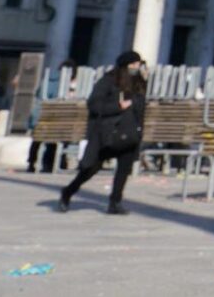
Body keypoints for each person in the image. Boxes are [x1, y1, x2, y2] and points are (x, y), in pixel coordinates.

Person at [57, 52, 147, 213]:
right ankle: (68, 191)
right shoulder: (108, 80)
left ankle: (115, 202)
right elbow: (94, 104)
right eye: (134, 64)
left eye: (138, 64)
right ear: (126, 65)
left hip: (130, 133)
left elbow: (140, 109)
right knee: (91, 168)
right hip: (109, 133)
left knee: (123, 169)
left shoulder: (138, 83)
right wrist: (118, 107)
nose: (137, 68)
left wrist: (139, 130)